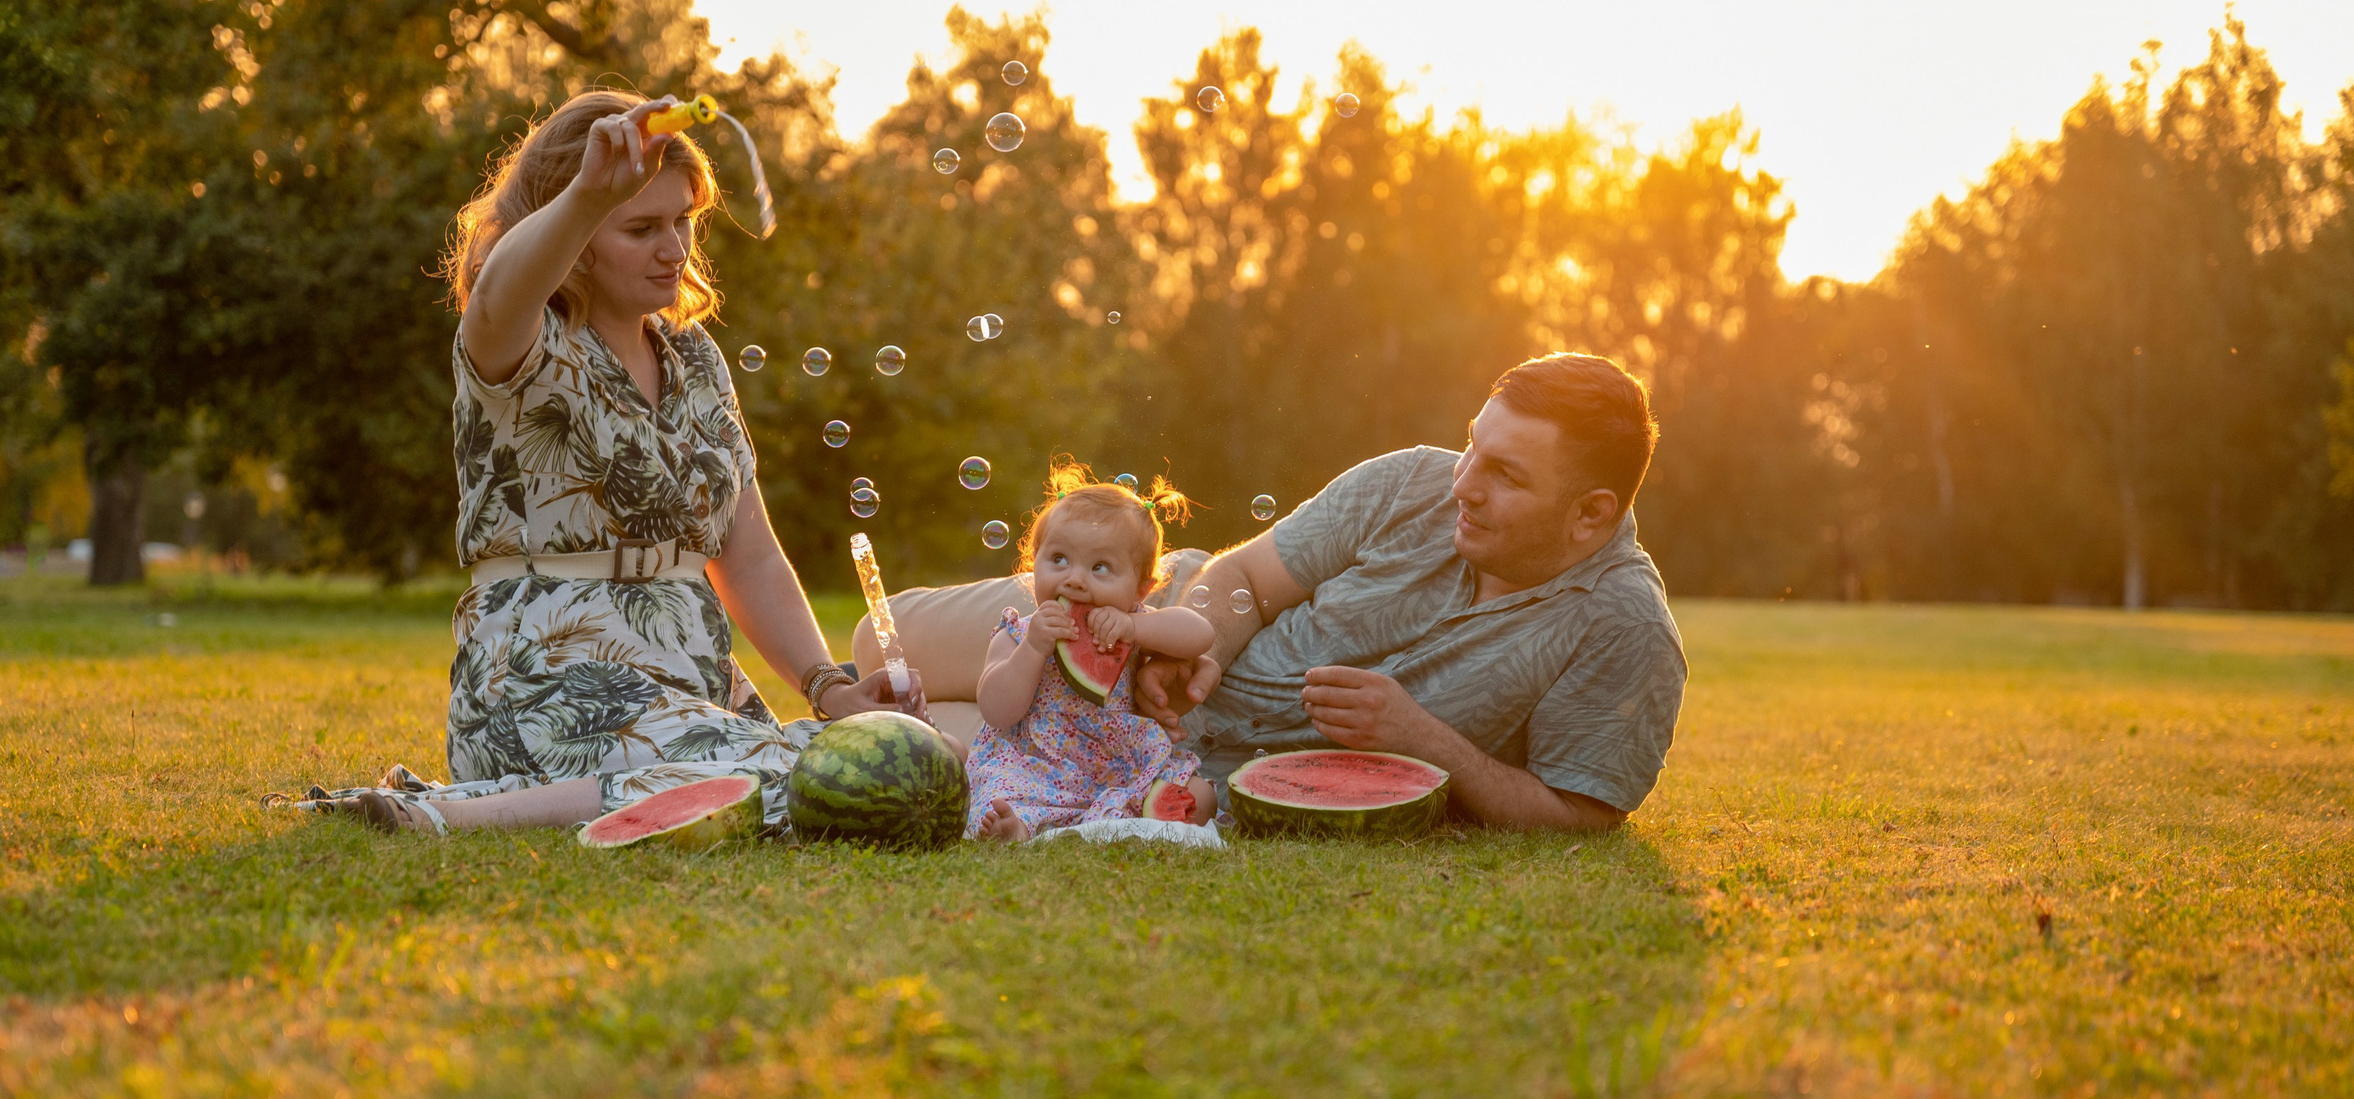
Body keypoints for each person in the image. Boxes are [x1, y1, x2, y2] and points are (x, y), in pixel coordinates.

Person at [339, 89, 913, 834]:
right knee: (789, 779)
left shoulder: (697, 359)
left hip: (687, 691)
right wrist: (587, 193)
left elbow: (751, 556)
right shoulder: (521, 340)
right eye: (641, 226)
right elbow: (495, 293)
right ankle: (459, 816)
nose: (675, 248)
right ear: (571, 234)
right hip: (543, 685)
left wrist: (829, 688)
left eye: (683, 222)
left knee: (861, 761)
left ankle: (467, 809)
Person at [1137, 353, 1683, 830]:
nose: (1463, 485)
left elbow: (1581, 813)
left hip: (1205, 793)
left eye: (1506, 477)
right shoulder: (1408, 479)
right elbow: (1246, 577)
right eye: (1472, 446)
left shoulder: (1626, 628)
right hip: (1142, 630)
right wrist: (1194, 649)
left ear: (1590, 513)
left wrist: (1422, 739)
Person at [965, 465, 1217, 842]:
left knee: (1203, 795)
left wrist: (1134, 628)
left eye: (1100, 567)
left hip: (1121, 764)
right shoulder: (1017, 632)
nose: (1075, 579)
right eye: (1059, 559)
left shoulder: (1132, 624)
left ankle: (1122, 819)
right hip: (1036, 766)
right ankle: (1015, 827)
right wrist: (1034, 648)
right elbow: (996, 711)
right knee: (999, 791)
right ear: (1034, 562)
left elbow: (1201, 634)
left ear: (1140, 591)